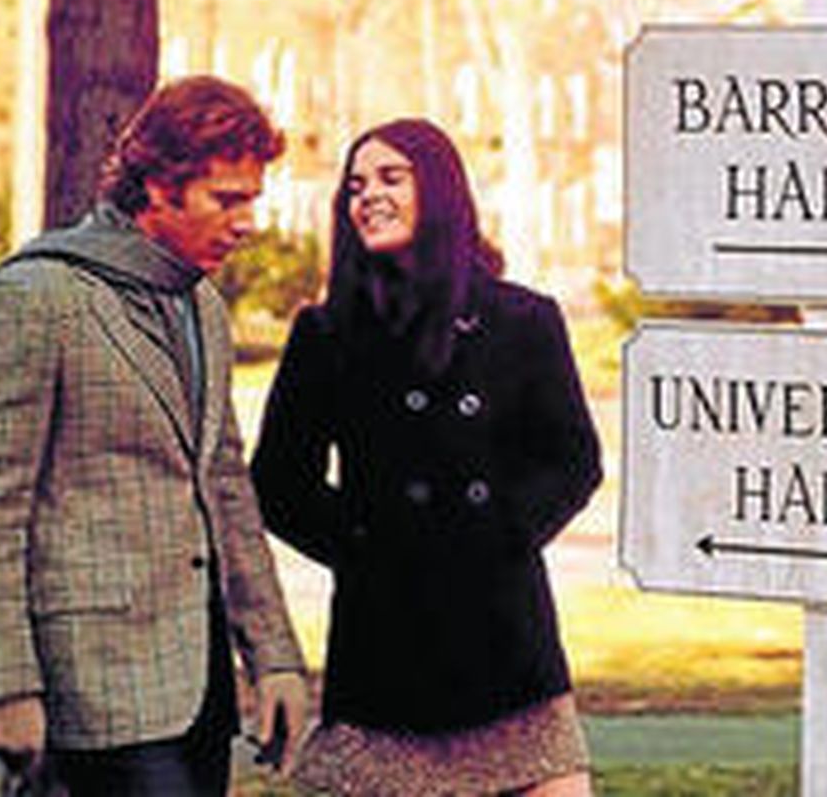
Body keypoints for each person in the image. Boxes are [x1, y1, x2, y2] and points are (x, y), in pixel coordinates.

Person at [0, 75, 309, 796]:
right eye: (226, 200)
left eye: (252, 200)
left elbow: (226, 492)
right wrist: (2, 685)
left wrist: (275, 658)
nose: (246, 224)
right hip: (91, 689)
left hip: (198, 692)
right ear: (159, 186)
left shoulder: (202, 306)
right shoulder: (36, 295)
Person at [252, 118, 602, 796]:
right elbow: (280, 483)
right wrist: (367, 542)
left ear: (437, 190)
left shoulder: (525, 320)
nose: (369, 196)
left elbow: (571, 458)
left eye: (391, 177)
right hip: (386, 649)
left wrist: (500, 530)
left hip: (508, 645)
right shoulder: (326, 333)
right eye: (356, 186)